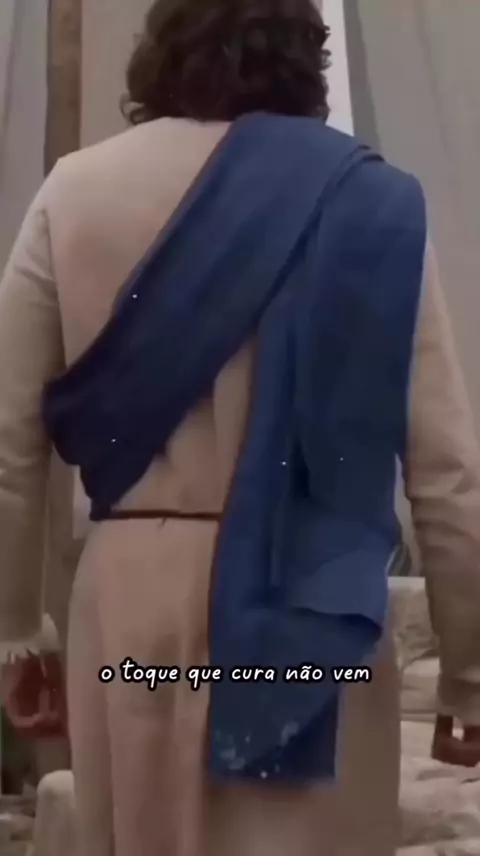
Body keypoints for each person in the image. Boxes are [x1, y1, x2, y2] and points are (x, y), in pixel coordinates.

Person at [1, 1, 480, 854]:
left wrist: (15, 631)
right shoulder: (368, 202)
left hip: (134, 601)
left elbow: (8, 447)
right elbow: (447, 476)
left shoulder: (74, 191)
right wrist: (469, 677)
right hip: (314, 600)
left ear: (161, 49)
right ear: (306, 56)